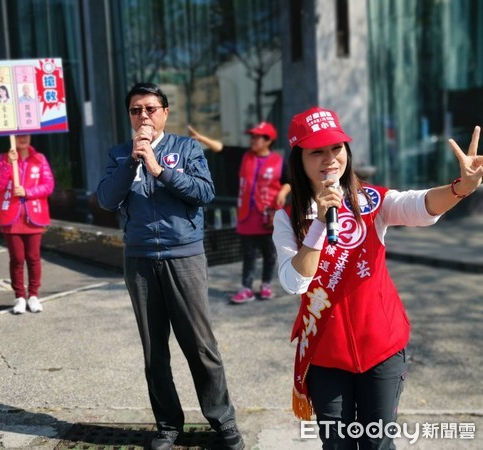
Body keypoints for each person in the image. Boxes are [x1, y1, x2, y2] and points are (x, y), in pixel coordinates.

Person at [273, 106, 482, 449]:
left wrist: (462, 187)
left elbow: (420, 205)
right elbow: (293, 282)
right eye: (317, 152)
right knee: (337, 444)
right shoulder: (287, 219)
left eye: (336, 148)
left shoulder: (372, 200)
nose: (330, 159)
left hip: (381, 348)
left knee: (377, 443)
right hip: (326, 355)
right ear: (299, 159)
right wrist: (320, 226)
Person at [96, 82, 245, 450]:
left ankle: (222, 421)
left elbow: (204, 192)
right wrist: (133, 160)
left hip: (185, 255)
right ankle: (167, 425)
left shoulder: (186, 148)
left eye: (150, 108)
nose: (143, 116)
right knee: (154, 349)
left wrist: (158, 169)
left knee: (200, 345)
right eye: (135, 110)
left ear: (164, 112)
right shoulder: (119, 154)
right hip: (140, 258)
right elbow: (106, 199)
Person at [188, 123, 291, 304]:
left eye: (257, 137)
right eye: (251, 136)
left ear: (268, 141)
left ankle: (266, 285)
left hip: (268, 216)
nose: (252, 140)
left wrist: (283, 192)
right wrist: (202, 138)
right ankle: (246, 288)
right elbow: (222, 149)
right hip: (247, 216)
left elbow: (289, 181)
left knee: (269, 254)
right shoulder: (243, 155)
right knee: (248, 254)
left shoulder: (278, 161)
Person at [0, 134, 54, 314]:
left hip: (34, 216)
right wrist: (9, 165)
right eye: (18, 135)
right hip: (11, 217)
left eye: (26, 134)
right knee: (17, 259)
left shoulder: (39, 159)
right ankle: (19, 297)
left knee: (34, 258)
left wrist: (27, 191)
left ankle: (33, 295)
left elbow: (48, 186)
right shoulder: (2, 159)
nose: (23, 138)